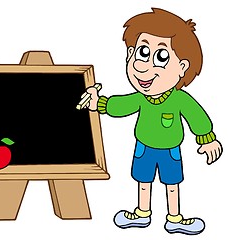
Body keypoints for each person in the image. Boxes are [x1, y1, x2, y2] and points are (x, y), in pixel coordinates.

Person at [84, 8, 223, 235]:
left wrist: (207, 139)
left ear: (182, 68)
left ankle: (175, 217)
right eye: (141, 52)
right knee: (143, 181)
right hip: (144, 148)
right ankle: (141, 213)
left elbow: (197, 117)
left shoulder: (180, 99)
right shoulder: (141, 98)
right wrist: (98, 103)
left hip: (170, 150)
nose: (143, 66)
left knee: (172, 184)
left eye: (160, 57)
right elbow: (119, 106)